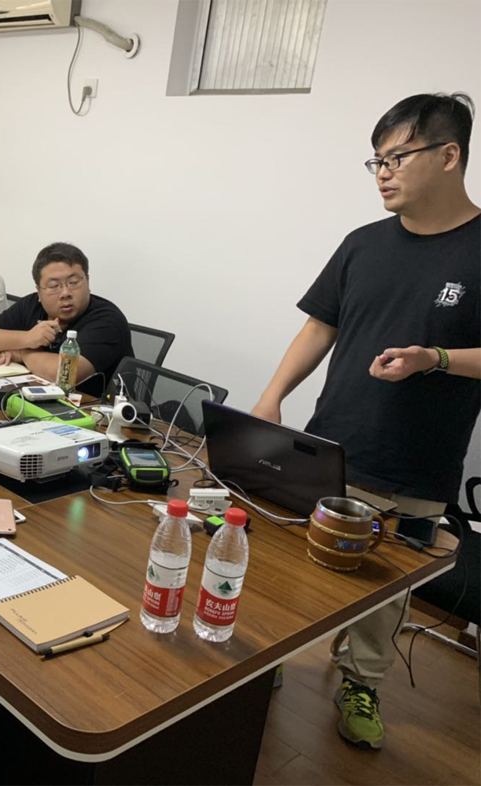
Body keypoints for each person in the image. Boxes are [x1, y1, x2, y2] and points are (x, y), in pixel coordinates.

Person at [251, 92, 480, 751]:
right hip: (333, 445)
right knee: (300, 563)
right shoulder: (362, 244)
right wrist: (271, 397)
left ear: (448, 155)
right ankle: (271, 654)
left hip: (419, 466)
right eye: (376, 160)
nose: (382, 173)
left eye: (396, 157)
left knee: (386, 590)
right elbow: (318, 327)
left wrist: (434, 358)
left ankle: (361, 682)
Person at [0, 242, 131, 387]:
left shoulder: (107, 320)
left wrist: (23, 353)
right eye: (54, 286)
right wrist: (28, 339)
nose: (65, 293)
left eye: (73, 283)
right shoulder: (32, 304)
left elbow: (63, 374)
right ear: (39, 291)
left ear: (87, 281)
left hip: (93, 408)